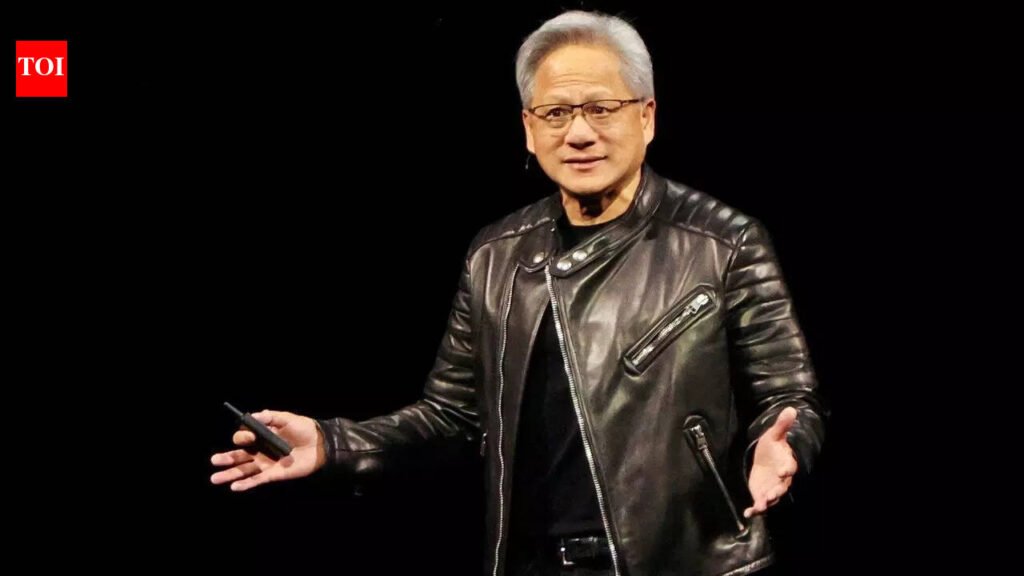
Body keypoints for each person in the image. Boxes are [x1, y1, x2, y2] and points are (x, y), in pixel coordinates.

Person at [210, 10, 826, 576]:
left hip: (685, 561)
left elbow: (789, 396)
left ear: (647, 117)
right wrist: (333, 443)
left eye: (601, 108)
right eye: (555, 113)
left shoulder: (723, 242)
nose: (578, 132)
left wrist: (783, 446)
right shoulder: (496, 255)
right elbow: (452, 417)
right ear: (529, 130)